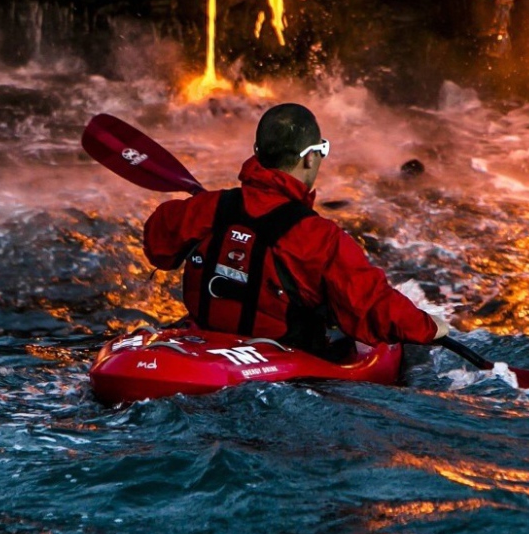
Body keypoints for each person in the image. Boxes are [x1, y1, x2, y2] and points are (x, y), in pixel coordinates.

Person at [143, 103, 449, 357]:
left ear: (257, 152)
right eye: (322, 151)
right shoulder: (319, 238)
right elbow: (371, 305)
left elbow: (157, 246)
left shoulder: (206, 208)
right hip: (279, 368)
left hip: (201, 350)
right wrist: (429, 326)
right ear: (309, 156)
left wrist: (209, 213)